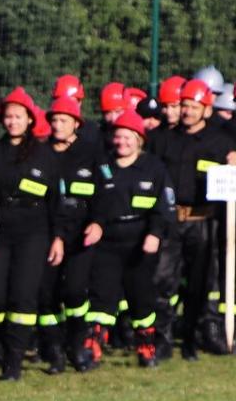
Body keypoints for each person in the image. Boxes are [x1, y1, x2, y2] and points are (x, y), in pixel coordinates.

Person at [0, 88, 63, 381]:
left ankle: (13, 362)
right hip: (0, 230)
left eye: (18, 116)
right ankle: (0, 345)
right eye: (8, 116)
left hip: (34, 232)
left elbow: (57, 199)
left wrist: (58, 237)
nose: (12, 121)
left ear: (30, 119)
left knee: (23, 296)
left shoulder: (46, 155)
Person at [81, 111, 173, 367]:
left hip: (140, 242)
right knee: (102, 295)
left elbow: (164, 207)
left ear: (139, 139)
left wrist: (154, 234)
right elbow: (93, 202)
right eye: (118, 136)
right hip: (108, 243)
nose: (122, 142)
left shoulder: (154, 168)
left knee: (141, 297)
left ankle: (146, 347)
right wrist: (96, 224)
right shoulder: (103, 166)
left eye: (128, 137)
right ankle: (93, 347)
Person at [158, 79, 236, 359]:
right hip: (171, 221)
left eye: (194, 107)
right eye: (185, 106)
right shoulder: (165, 139)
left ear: (206, 109)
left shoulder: (222, 142)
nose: (188, 112)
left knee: (199, 283)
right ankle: (163, 340)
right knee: (164, 281)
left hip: (203, 223)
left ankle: (190, 340)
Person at [46, 96, 105, 371]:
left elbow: (105, 193)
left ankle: (78, 343)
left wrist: (98, 222)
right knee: (48, 292)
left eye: (64, 121)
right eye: (54, 120)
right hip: (47, 232)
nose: (58, 126)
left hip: (81, 233)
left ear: (76, 124)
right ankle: (54, 350)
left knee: (74, 290)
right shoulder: (41, 152)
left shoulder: (91, 152)